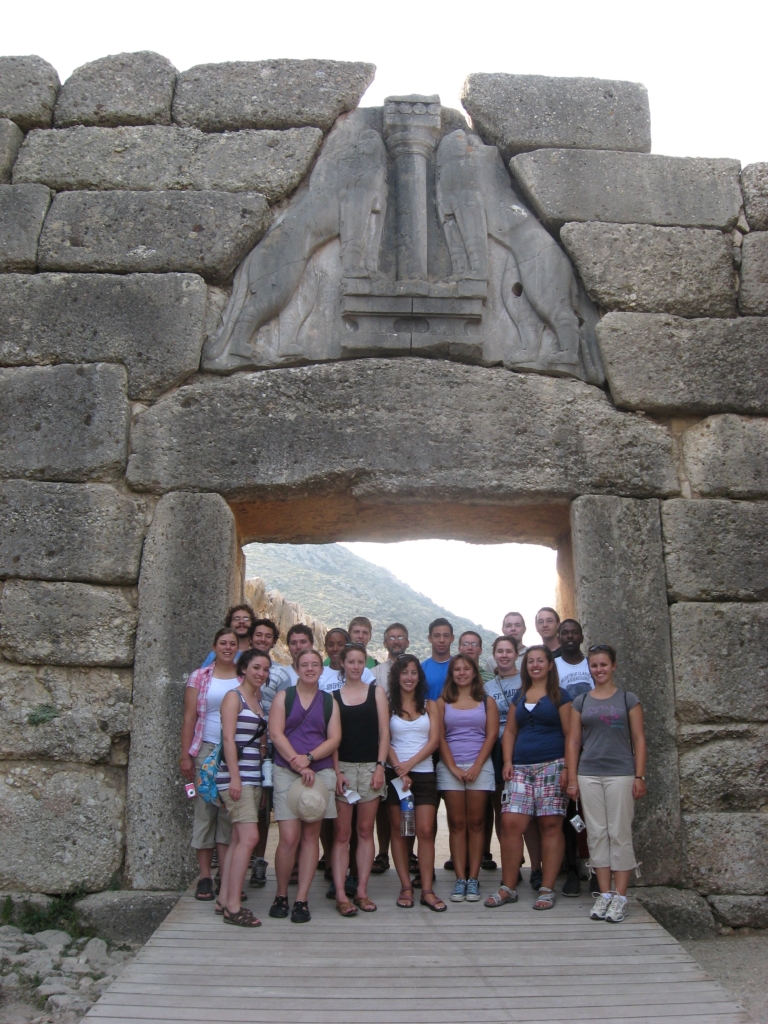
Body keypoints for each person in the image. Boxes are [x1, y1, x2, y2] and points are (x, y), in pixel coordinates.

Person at [566, 644, 647, 924]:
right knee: (597, 834)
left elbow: (638, 739)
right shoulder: (582, 701)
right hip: (589, 773)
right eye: (594, 665)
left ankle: (620, 896)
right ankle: (604, 894)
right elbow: (574, 741)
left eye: (603, 664)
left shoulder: (628, 699)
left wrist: (639, 775)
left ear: (613, 666)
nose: (599, 670)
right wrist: (572, 777)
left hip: (621, 773)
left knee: (619, 833)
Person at [487, 645, 572, 911]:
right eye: (531, 661)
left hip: (553, 764)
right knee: (511, 822)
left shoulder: (561, 696)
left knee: (550, 825)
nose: (535, 665)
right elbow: (510, 732)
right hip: (521, 766)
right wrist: (508, 761)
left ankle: (547, 889)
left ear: (549, 665)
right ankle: (508, 886)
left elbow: (571, 735)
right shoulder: (520, 696)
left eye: (540, 661)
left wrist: (569, 768)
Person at [268, 648, 341, 923]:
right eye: (304, 665)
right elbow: (276, 733)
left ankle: (302, 898)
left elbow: (334, 738)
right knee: (288, 837)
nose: (310, 669)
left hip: (319, 771)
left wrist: (309, 759)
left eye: (315, 665)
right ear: (296, 669)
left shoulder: (328, 701)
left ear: (321, 670)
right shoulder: (282, 698)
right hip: (287, 770)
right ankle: (281, 893)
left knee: (311, 836)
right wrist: (298, 764)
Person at [180, 628, 240, 902]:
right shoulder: (199, 676)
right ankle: (205, 876)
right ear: (214, 647)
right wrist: (185, 755)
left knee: (229, 814)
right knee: (205, 811)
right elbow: (189, 717)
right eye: (223, 643)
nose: (228, 647)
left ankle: (226, 876)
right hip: (205, 749)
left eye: (232, 644)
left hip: (234, 752)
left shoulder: (244, 675)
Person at [330, 643, 390, 916]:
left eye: (360, 662)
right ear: (342, 663)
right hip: (343, 767)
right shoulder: (333, 697)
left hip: (369, 768)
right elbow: (331, 740)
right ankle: (342, 893)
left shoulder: (376, 693)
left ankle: (363, 891)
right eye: (351, 661)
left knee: (365, 832)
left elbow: (384, 733)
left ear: (365, 664)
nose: (355, 666)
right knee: (342, 835)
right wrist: (337, 772)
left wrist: (380, 766)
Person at [436, 654, 499, 903]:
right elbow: (439, 737)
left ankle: (474, 878)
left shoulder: (487, 701)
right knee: (457, 824)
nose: (462, 673)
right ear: (451, 674)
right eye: (457, 669)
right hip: (450, 766)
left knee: (476, 823)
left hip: (479, 766)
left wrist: (476, 766)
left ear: (474, 673)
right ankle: (459, 879)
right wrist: (452, 767)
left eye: (466, 669)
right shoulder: (442, 702)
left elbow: (491, 735)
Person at [386, 655, 445, 911]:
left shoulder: (430, 705)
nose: (409, 677)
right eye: (404, 672)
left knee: (425, 831)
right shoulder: (387, 706)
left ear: (419, 677)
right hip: (395, 776)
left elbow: (434, 741)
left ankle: (428, 889)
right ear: (396, 676)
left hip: (423, 773)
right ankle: (406, 887)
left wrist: (409, 765)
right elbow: (384, 739)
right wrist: (400, 769)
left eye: (413, 672)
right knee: (400, 832)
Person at [215, 649, 269, 926]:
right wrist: (234, 777)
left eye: (265, 669)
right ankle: (234, 906)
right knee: (249, 839)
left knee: (238, 839)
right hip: (236, 778)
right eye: (256, 667)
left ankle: (224, 898)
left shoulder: (256, 699)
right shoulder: (233, 697)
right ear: (244, 668)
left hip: (252, 777)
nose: (261, 673)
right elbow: (227, 738)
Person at [248, 617, 291, 889]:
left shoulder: (280, 675)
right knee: (244, 806)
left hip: (271, 748)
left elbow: (286, 712)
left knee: (264, 808)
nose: (262, 639)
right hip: (244, 745)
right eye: (258, 635)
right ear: (252, 638)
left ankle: (258, 863)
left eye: (267, 636)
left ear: (273, 641)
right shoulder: (241, 670)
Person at [554, 618, 594, 898]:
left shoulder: (592, 663)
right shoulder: (553, 664)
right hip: (565, 741)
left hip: (593, 743)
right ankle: (570, 868)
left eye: (574, 632)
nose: (569, 637)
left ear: (581, 635)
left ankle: (594, 867)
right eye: (564, 633)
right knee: (568, 811)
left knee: (593, 811)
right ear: (559, 636)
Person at [371, 623, 411, 875]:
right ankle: (383, 852)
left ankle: (410, 852)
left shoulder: (413, 670)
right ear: (385, 643)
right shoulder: (375, 673)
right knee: (384, 806)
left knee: (409, 804)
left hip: (408, 747)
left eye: (400, 637)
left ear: (407, 642)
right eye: (391, 638)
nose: (396, 641)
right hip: (381, 744)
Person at [483, 635, 521, 871]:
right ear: (494, 654)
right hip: (496, 748)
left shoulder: (525, 681)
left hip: (521, 746)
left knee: (524, 808)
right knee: (501, 807)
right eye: (500, 651)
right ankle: (510, 861)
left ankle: (529, 862)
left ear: (517, 654)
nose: (504, 655)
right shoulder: (487, 687)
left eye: (509, 651)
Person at [422, 618, 454, 702]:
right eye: (437, 636)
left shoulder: (460, 668)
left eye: (446, 636)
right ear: (429, 638)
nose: (441, 640)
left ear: (452, 638)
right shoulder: (420, 669)